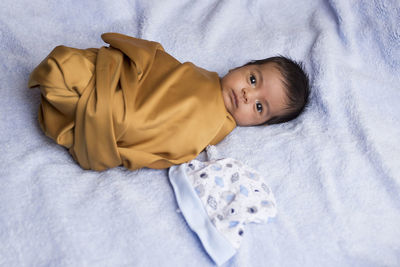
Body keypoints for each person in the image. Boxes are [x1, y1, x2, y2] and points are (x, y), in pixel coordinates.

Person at [28, 32, 309, 171]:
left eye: (259, 107)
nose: (248, 95)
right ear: (243, 67)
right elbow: (163, 69)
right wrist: (140, 64)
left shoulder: (216, 126)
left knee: (116, 115)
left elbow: (171, 141)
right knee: (73, 68)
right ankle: (84, 87)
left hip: (125, 117)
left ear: (260, 124)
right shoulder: (200, 75)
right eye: (252, 79)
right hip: (125, 80)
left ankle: (86, 107)